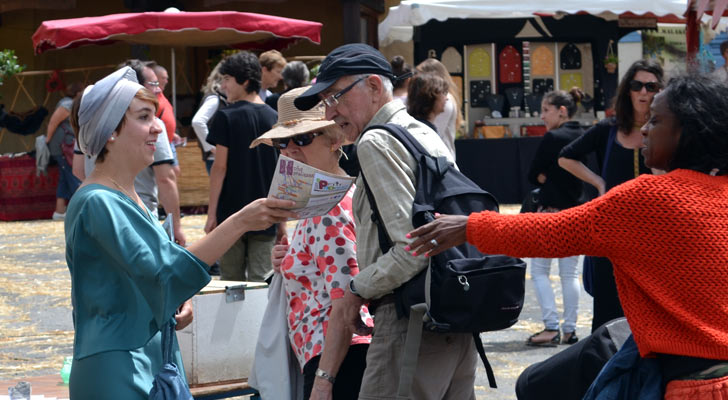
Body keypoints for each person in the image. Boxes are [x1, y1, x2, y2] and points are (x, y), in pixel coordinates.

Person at [407, 74, 728, 399]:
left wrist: (469, 227)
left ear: (688, 130)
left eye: (656, 121)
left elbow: (553, 232)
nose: (644, 129)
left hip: (690, 386)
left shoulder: (648, 197)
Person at [65, 66, 296, 400]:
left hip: (151, 359)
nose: (158, 127)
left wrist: (177, 299)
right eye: (144, 117)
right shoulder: (97, 202)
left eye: (155, 116)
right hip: (117, 369)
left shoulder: (124, 196)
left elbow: (153, 277)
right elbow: (163, 274)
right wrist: (241, 221)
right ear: (110, 131)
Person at [294, 43, 477, 400]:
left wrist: (356, 289)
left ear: (374, 87)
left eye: (335, 97)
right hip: (455, 314)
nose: (330, 113)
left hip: (409, 322)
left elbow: (413, 248)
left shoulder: (376, 141)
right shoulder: (421, 131)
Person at [252, 86, 372, 400]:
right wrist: (291, 259)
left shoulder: (330, 210)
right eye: (282, 142)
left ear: (335, 141)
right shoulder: (322, 201)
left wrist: (323, 380)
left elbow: (345, 302)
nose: (290, 149)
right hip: (333, 356)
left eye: (303, 138)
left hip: (337, 360)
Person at [558, 59, 663, 332]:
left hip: (655, 236)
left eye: (650, 86)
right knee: (607, 314)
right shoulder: (609, 129)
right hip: (612, 235)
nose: (643, 92)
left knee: (653, 313)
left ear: (660, 91)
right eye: (637, 85)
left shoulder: (671, 129)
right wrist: (598, 182)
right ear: (628, 90)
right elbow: (565, 157)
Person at [74, 60, 187, 245]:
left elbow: (78, 170)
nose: (158, 89)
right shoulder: (100, 203)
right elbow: (166, 178)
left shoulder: (110, 198)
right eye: (153, 83)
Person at [205, 51, 281, 282]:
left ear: (245, 81)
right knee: (262, 280)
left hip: (231, 214)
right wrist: (283, 221)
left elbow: (219, 168)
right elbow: (280, 169)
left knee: (231, 283)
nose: (223, 85)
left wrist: (211, 214)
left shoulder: (225, 117)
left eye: (227, 79)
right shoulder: (274, 117)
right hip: (266, 212)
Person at [524, 88, 586, 346]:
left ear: (561, 110)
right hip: (577, 212)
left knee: (539, 271)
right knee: (570, 274)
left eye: (546, 110)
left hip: (549, 213)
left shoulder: (553, 138)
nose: (542, 116)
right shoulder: (584, 135)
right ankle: (570, 329)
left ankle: (551, 327)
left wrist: (546, 178)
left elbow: (533, 174)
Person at [45, 82, 84, 220]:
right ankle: (81, 209)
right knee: (73, 177)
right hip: (62, 148)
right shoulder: (67, 105)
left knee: (64, 177)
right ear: (77, 93)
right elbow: (53, 123)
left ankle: (60, 211)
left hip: (65, 146)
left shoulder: (72, 104)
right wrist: (47, 142)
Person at [416, 58, 462, 161]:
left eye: (421, 75)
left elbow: (435, 134)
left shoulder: (446, 100)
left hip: (441, 162)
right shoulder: (445, 98)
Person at [145, 61, 181, 178]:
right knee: (167, 176)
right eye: (163, 78)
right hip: (157, 142)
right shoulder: (152, 97)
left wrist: (172, 133)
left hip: (168, 141)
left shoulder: (160, 95)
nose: (166, 81)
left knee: (173, 174)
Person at [192, 61, 227, 174]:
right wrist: (211, 148)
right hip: (215, 159)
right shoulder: (215, 99)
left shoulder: (220, 98)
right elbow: (197, 122)